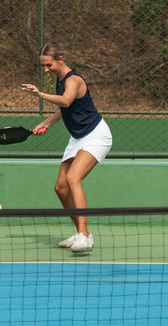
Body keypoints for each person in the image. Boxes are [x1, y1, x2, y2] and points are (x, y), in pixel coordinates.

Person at [20, 43, 112, 254]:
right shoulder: (60, 81)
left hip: (96, 135)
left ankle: (85, 236)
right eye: (43, 66)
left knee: (73, 179)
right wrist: (47, 123)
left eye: (49, 65)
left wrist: (39, 94)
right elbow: (65, 108)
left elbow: (67, 100)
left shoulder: (73, 80)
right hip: (78, 138)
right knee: (60, 187)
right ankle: (80, 232)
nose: (46, 70)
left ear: (60, 59)